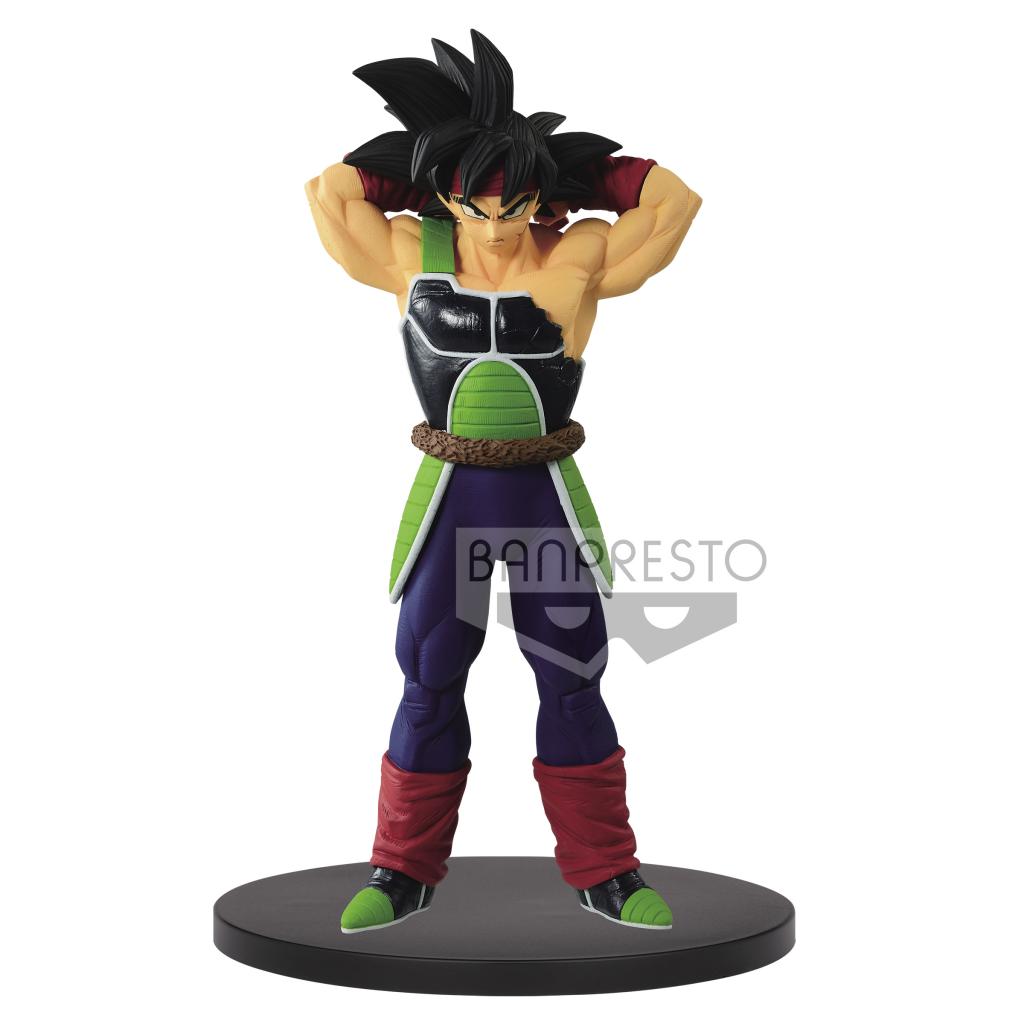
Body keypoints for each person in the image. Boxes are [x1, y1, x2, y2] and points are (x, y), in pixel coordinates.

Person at [305, 30, 701, 934]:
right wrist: (422, 166)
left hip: (543, 501)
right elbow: (328, 192)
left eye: (515, 202)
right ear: (446, 195)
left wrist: (572, 172)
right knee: (428, 675)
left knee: (573, 675)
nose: (495, 222)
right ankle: (401, 869)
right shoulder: (413, 253)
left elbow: (674, 202)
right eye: (474, 201)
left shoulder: (575, 259)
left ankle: (606, 870)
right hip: (450, 503)